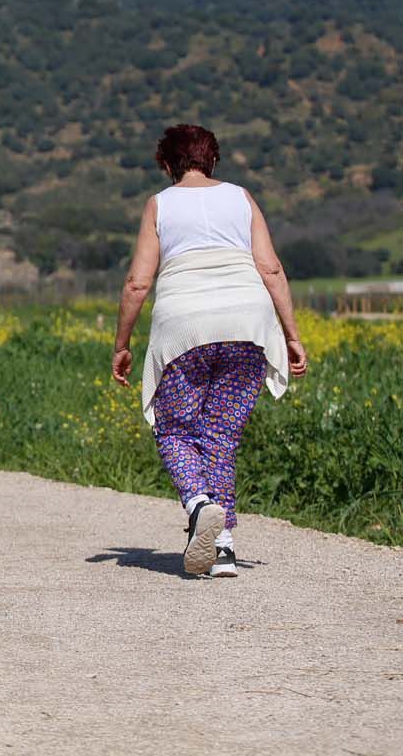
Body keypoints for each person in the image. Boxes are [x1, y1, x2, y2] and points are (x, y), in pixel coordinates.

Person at [112, 124, 308, 578]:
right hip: (247, 327)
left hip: (184, 328)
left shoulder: (159, 204)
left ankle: (200, 505)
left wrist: (122, 345)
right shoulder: (241, 198)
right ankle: (222, 548)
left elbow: (138, 281)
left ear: (166, 165)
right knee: (219, 434)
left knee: (174, 428)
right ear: (213, 160)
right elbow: (271, 268)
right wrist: (291, 334)